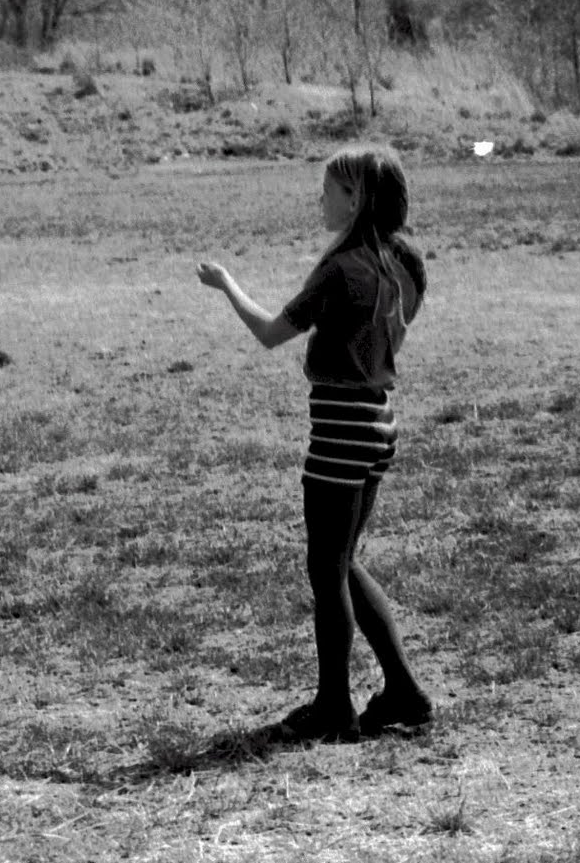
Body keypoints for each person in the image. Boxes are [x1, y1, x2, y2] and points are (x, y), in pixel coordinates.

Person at [195, 145, 434, 742]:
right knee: (343, 561)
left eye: (328, 190)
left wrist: (227, 285)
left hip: (339, 427)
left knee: (326, 570)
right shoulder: (405, 262)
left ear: (353, 199)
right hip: (380, 420)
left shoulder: (340, 267)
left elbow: (272, 333)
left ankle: (334, 707)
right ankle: (403, 692)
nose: (319, 200)